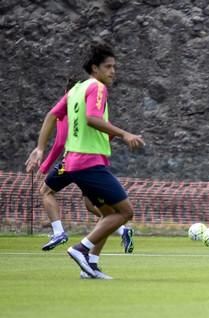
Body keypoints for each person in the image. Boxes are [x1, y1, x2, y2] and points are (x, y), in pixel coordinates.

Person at [26, 42, 144, 279]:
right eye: (108, 67)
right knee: (125, 212)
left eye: (114, 67)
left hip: (75, 163)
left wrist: (40, 148)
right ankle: (81, 249)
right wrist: (124, 134)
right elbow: (92, 118)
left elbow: (52, 115)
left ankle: (91, 265)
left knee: (107, 212)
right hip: (89, 163)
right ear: (95, 68)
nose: (113, 72)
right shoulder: (97, 88)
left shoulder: (76, 89)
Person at [26, 77, 134, 254]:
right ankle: (116, 236)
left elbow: (60, 142)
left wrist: (44, 165)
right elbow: (108, 132)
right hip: (93, 162)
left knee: (46, 191)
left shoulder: (72, 107)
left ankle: (60, 234)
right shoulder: (96, 106)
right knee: (95, 207)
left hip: (75, 161)